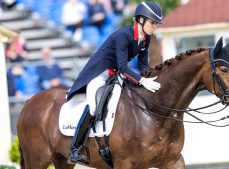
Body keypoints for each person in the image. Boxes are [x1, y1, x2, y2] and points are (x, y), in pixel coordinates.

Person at [67, 1, 163, 164]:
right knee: (94, 106)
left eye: (156, 24)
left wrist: (155, 77)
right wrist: (142, 80)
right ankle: (76, 148)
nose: (155, 27)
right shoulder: (123, 35)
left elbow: (142, 66)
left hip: (117, 74)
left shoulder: (146, 38)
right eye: (152, 22)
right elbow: (123, 67)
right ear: (140, 20)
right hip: (99, 73)